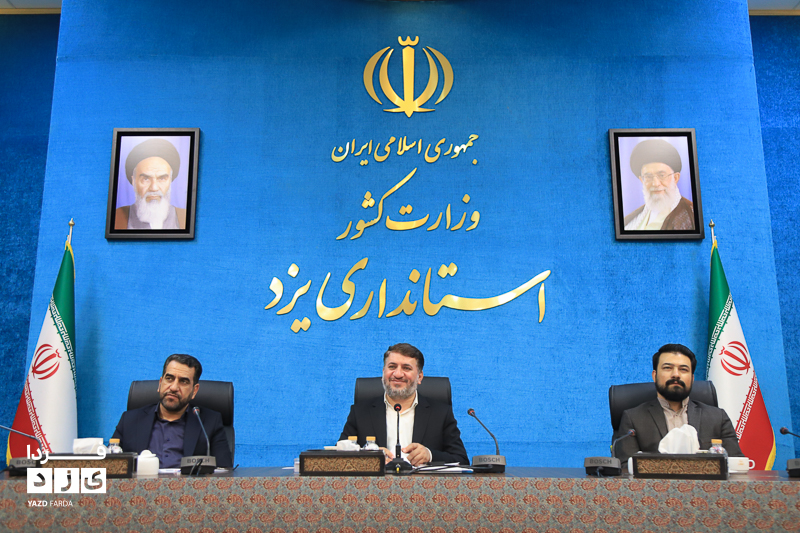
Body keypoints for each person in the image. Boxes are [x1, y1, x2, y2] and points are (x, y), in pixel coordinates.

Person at [339, 343, 469, 466]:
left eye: (406, 368)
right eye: (392, 367)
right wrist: (370, 458)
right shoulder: (360, 412)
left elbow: (462, 460)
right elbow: (338, 459)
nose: (398, 374)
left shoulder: (440, 413)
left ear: (419, 377)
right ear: (383, 372)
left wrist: (430, 455)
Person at [613, 343, 743, 463]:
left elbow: (736, 465)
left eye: (683, 369)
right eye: (667, 368)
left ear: (692, 378)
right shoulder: (634, 419)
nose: (676, 374)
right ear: (654, 376)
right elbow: (626, 469)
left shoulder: (717, 418)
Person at [112, 354, 232, 468]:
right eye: (169, 379)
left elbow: (224, 472)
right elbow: (110, 467)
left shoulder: (209, 422)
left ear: (194, 391)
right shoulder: (130, 420)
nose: (174, 388)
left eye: (183, 381)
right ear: (160, 383)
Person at [114, 138, 186, 230]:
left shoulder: (184, 217)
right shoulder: (117, 217)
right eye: (146, 179)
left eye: (162, 178)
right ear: (134, 181)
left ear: (170, 181)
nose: (154, 188)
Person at [624, 139, 694, 231]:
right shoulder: (630, 220)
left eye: (662, 175)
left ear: (675, 178)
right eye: (648, 177)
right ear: (642, 180)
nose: (655, 183)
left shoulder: (691, 215)